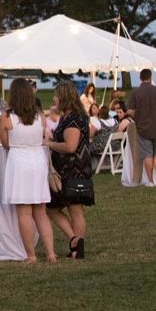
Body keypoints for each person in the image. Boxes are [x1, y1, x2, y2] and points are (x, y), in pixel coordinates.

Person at [0, 78, 56, 263]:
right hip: (37, 160)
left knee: (24, 212)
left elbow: (5, 143)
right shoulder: (40, 115)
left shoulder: (7, 117)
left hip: (19, 161)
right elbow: (41, 136)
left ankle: (31, 255)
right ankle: (51, 254)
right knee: (40, 211)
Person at [45, 81, 93, 259]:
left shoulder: (74, 119)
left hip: (73, 170)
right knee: (54, 208)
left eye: (56, 95)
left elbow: (71, 146)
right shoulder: (69, 117)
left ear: (63, 97)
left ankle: (76, 247)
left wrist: (50, 143)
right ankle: (75, 241)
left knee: (74, 210)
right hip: (68, 170)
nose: (54, 99)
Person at [127, 68, 156, 186]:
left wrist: (138, 115)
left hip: (143, 128)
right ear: (150, 77)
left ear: (140, 78)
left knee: (147, 155)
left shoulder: (135, 92)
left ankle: (150, 181)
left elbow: (130, 111)